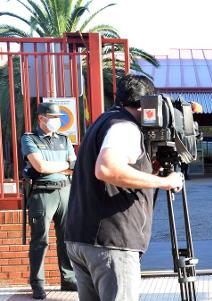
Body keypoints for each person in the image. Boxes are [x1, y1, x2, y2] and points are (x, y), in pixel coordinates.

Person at [64, 74, 184, 300]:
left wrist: (150, 173)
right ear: (148, 103)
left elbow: (109, 175)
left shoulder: (104, 120)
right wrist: (165, 182)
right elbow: (106, 169)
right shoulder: (125, 127)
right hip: (111, 243)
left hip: (82, 237)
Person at [21, 103, 77, 299]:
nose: (56, 120)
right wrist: (63, 165)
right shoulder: (29, 138)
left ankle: (69, 279)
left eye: (58, 117)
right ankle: (37, 284)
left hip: (65, 192)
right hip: (42, 194)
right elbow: (40, 166)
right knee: (40, 240)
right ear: (41, 118)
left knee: (66, 239)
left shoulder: (63, 139)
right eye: (52, 117)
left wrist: (57, 166)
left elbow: (74, 166)